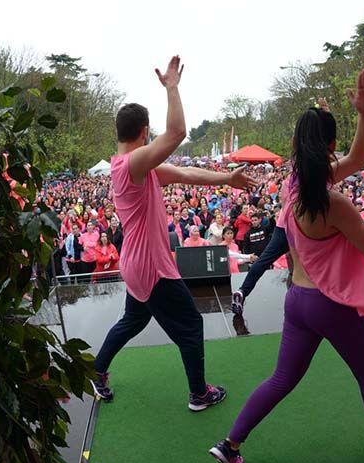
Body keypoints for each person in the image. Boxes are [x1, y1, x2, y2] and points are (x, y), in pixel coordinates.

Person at [209, 70, 364, 463]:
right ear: (329, 145)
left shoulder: (293, 185)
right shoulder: (332, 202)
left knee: (281, 379)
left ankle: (231, 443)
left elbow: (357, 160)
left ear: (294, 144)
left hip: (299, 302)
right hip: (335, 305)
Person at [92, 55, 258, 411]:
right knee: (190, 325)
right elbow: (178, 133)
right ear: (142, 133)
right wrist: (172, 88)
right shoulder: (131, 165)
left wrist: (227, 178)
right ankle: (199, 394)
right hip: (151, 266)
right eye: (149, 134)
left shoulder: (142, 168)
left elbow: (188, 175)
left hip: (137, 264)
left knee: (133, 320)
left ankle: (97, 370)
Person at [229, 91, 364, 316]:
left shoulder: (299, 169)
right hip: (301, 227)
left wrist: (325, 115)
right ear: (330, 145)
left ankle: (242, 291)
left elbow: (335, 152)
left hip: (286, 225)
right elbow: (352, 159)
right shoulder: (315, 178)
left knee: (275, 260)